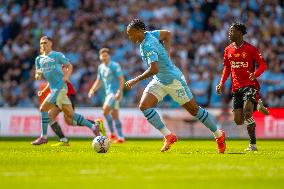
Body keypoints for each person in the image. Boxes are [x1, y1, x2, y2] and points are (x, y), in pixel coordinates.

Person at [125, 19, 226, 153]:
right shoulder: (150, 34)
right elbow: (167, 34)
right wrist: (167, 53)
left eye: (131, 34)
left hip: (173, 81)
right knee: (144, 106)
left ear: (139, 31)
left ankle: (219, 135)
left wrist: (136, 79)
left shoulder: (148, 45)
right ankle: (168, 135)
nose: (129, 37)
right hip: (160, 80)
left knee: (194, 110)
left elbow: (154, 68)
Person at [31, 36, 104, 145]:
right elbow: (43, 74)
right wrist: (38, 76)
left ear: (51, 43)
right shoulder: (39, 60)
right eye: (41, 43)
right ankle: (93, 126)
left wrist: (66, 76)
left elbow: (69, 66)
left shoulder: (57, 55)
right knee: (70, 115)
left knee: (44, 109)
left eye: (45, 42)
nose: (43, 45)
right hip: (54, 90)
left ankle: (44, 137)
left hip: (61, 88)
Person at [216, 22, 267, 151]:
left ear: (240, 33)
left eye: (232, 31)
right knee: (238, 120)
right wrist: (221, 83)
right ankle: (257, 104)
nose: (229, 33)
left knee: (247, 113)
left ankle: (253, 145)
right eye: (229, 31)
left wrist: (255, 75)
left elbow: (263, 65)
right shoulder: (228, 49)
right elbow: (227, 68)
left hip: (250, 85)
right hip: (236, 87)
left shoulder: (251, 49)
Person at [88, 48, 125, 143]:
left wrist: (119, 91)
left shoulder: (114, 65)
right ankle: (120, 137)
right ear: (100, 57)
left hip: (115, 93)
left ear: (109, 56)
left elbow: (121, 79)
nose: (104, 57)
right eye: (102, 56)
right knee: (115, 115)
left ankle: (112, 133)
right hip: (108, 93)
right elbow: (99, 81)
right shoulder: (101, 67)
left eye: (106, 55)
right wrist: (92, 90)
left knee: (105, 111)